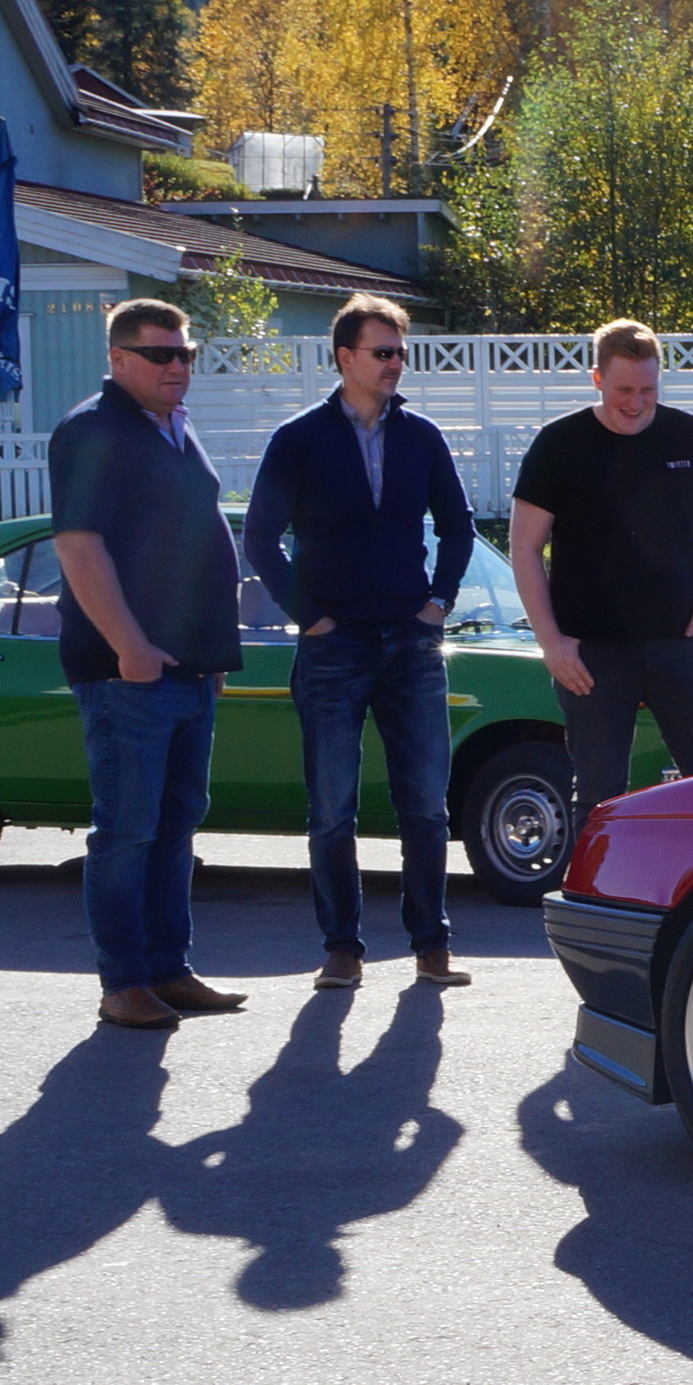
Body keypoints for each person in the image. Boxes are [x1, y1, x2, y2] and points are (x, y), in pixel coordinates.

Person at [244, 293, 478, 991]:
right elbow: (260, 537)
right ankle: (342, 948)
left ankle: (431, 944)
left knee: (425, 805)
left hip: (411, 641)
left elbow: (459, 526)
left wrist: (438, 604)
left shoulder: (421, 436)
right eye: (382, 352)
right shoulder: (299, 438)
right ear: (345, 357)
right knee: (331, 809)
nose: (395, 363)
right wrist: (308, 616)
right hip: (333, 645)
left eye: (400, 352)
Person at [48, 297, 251, 1031]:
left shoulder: (173, 427)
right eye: (160, 354)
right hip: (127, 672)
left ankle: (168, 970)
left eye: (185, 353)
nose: (177, 365)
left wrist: (210, 650)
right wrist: (129, 645)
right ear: (118, 359)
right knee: (128, 829)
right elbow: (79, 546)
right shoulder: (92, 430)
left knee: (175, 826)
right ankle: (123, 982)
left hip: (189, 667)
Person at [507, 319, 693, 836]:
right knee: (599, 799)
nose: (636, 403)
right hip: (591, 653)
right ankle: (596, 889)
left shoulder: (690, 435)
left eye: (648, 390)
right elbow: (524, 547)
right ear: (597, 379)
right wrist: (551, 643)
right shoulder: (559, 444)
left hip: (681, 640)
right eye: (623, 390)